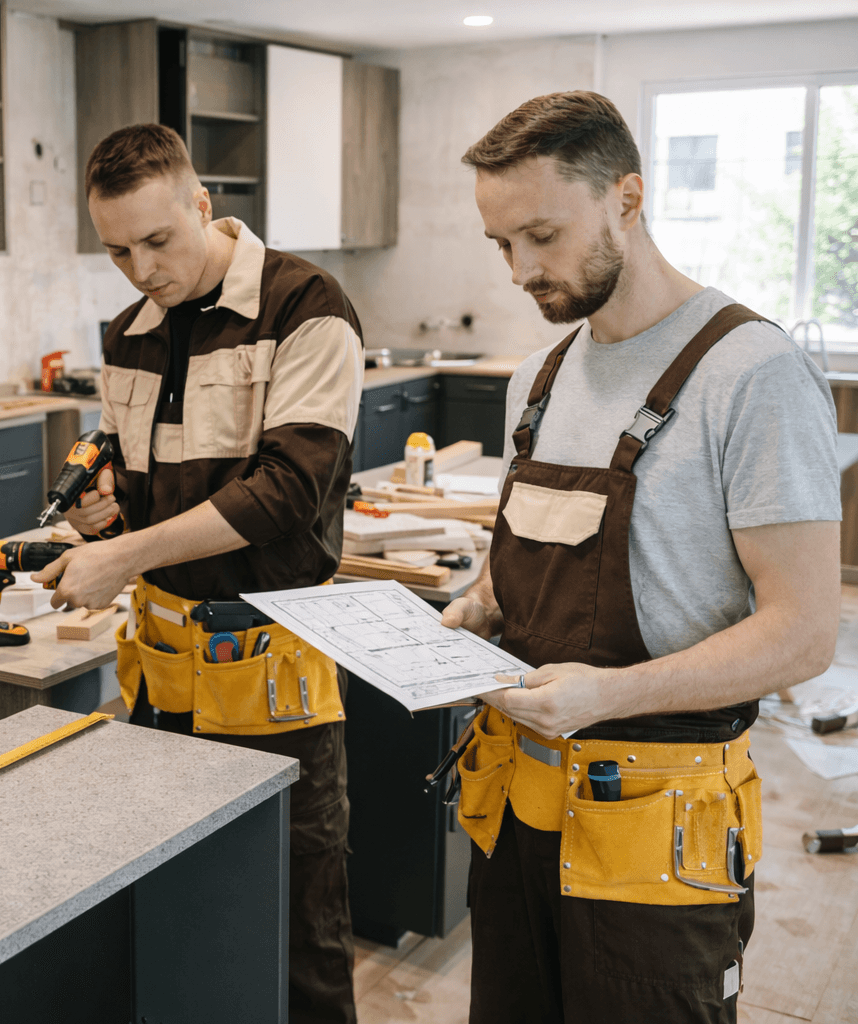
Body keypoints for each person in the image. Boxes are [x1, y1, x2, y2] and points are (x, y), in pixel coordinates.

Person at [442, 91, 841, 1022]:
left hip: (659, 829)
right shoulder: (534, 381)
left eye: (542, 234)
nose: (520, 271)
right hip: (516, 808)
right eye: (501, 244)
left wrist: (609, 695)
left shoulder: (752, 375)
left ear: (628, 196)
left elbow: (804, 635)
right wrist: (478, 603)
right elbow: (531, 561)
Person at [36, 124, 365, 1024]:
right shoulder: (128, 334)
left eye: (157, 241)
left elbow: (286, 492)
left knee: (299, 926)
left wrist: (123, 554)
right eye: (115, 250)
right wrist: (102, 514)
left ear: (202, 205)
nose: (140, 269)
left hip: (272, 678)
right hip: (163, 678)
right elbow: (137, 486)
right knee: (188, 913)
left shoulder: (306, 306)